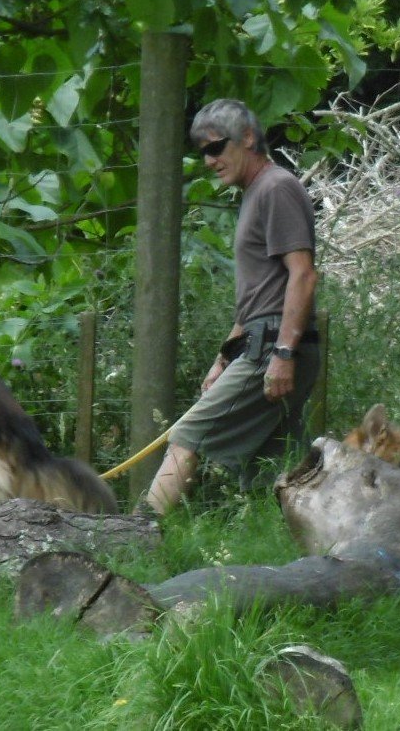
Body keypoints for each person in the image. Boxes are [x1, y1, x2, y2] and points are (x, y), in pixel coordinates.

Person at [139, 99, 321, 515]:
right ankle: (286, 544)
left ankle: (137, 535)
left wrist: (283, 354)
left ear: (249, 138)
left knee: (187, 437)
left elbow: (303, 276)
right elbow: (259, 296)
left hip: (272, 347)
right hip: (263, 342)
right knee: (270, 470)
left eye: (216, 147)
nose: (209, 160)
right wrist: (224, 357)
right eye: (203, 152)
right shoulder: (256, 193)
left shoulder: (276, 188)